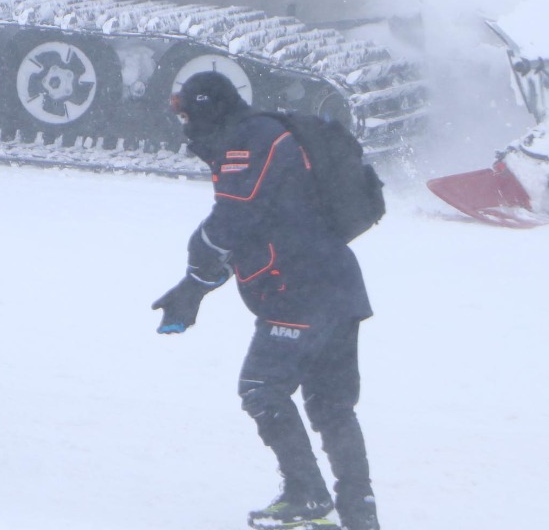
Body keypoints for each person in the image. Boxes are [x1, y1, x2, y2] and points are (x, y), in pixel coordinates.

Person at [152, 71, 379, 530]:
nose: (183, 123)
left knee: (262, 387)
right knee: (332, 405)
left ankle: (307, 496)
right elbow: (254, 226)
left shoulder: (248, 139)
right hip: (334, 283)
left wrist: (195, 276)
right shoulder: (261, 134)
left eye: (185, 111)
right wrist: (194, 290)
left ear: (205, 106)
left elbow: (233, 218)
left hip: (299, 288)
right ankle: (360, 514)